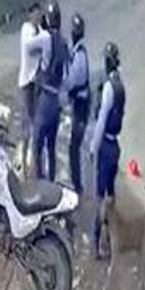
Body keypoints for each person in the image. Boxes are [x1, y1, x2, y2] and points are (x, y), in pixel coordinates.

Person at [89, 41, 126, 260]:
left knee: (100, 196)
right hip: (116, 146)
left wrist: (93, 147)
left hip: (105, 146)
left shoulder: (109, 89)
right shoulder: (120, 85)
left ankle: (97, 240)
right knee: (110, 195)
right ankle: (110, 235)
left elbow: (102, 120)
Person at [32, 0, 68, 181]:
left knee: (36, 147)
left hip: (45, 100)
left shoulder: (45, 40)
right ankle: (53, 184)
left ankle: (39, 186)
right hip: (56, 102)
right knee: (51, 147)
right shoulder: (64, 43)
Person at [18, 2, 50, 175]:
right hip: (26, 84)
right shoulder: (26, 31)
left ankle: (34, 161)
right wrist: (46, 37)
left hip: (36, 84)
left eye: (40, 15)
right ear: (30, 16)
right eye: (35, 15)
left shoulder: (40, 34)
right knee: (26, 126)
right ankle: (23, 162)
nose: (38, 18)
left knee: (36, 123)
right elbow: (31, 46)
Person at [64, 13, 91, 194]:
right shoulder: (79, 51)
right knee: (75, 145)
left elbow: (72, 82)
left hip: (81, 105)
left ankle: (77, 186)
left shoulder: (79, 57)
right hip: (81, 103)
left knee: (74, 147)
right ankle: (77, 181)